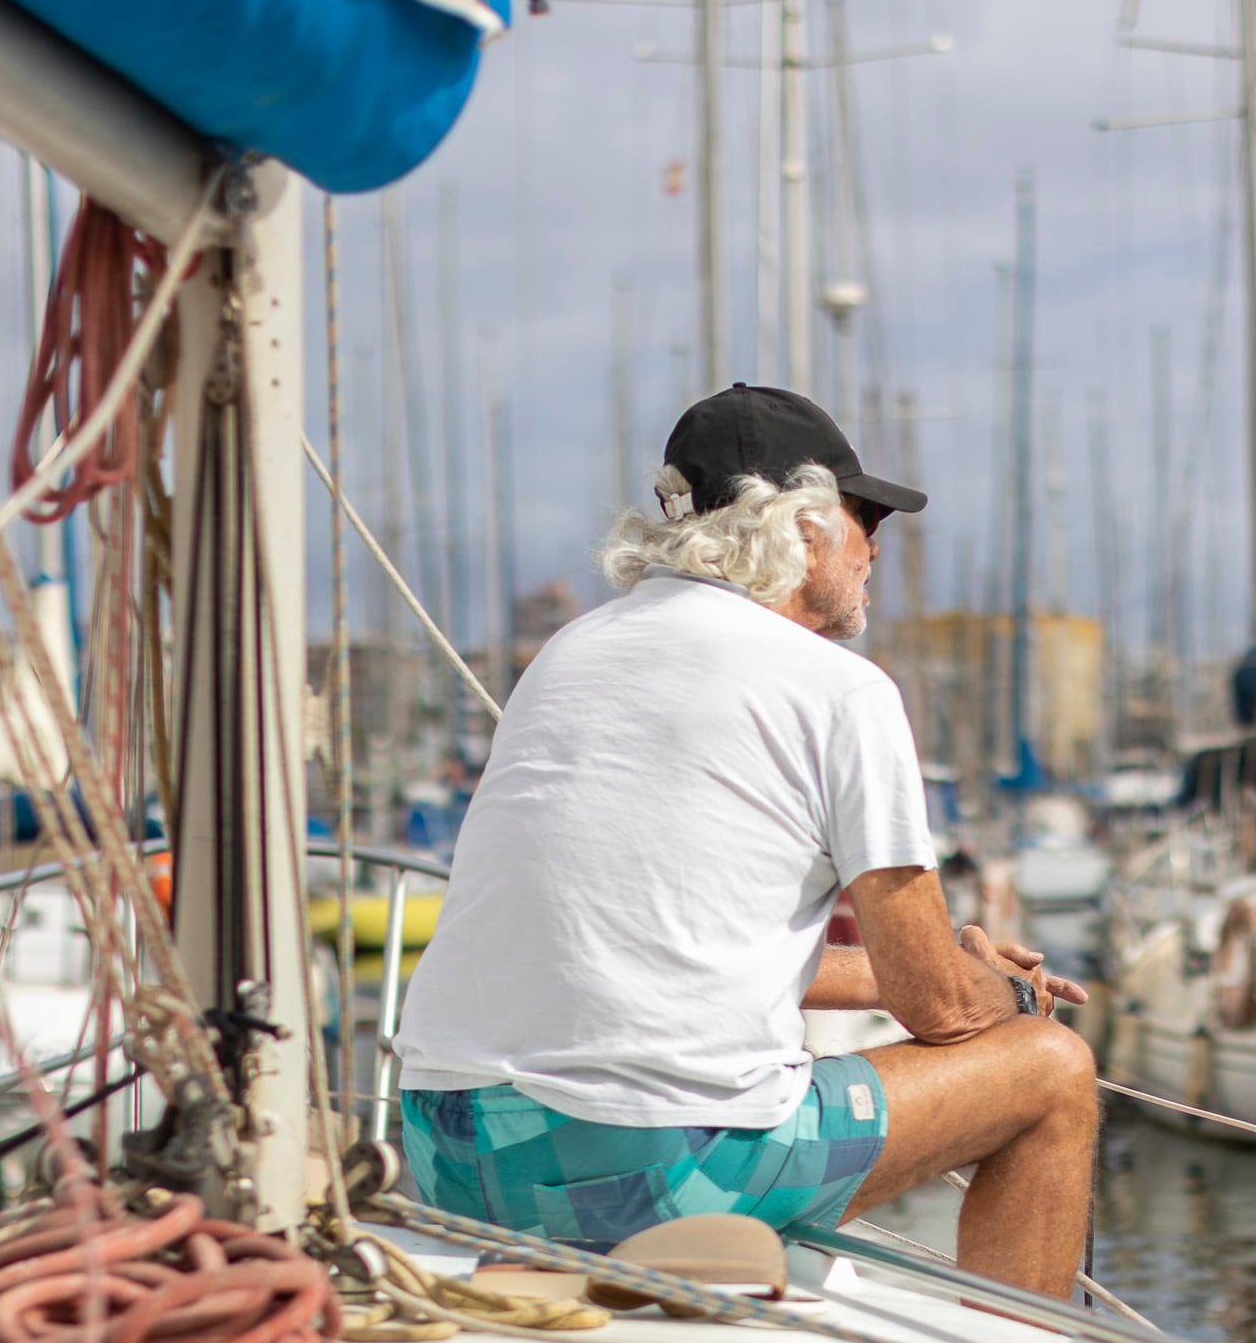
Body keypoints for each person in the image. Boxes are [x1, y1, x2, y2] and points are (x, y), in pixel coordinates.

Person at [391, 385, 1100, 1296]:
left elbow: (667, 940)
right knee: (1050, 1072)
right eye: (863, 516)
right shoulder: (841, 691)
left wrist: (905, 970)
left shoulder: (568, 656)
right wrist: (996, 989)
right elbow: (944, 1016)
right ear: (803, 530)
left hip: (451, 1155)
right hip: (648, 1166)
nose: (876, 545)